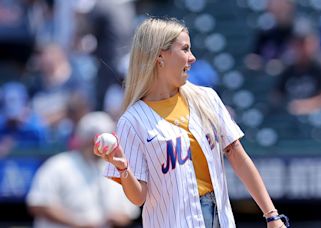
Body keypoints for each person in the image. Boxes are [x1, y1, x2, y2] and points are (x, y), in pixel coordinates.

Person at [93, 17, 290, 228]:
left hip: (220, 218)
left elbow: (238, 157)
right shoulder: (132, 120)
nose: (192, 58)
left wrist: (271, 215)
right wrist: (123, 168)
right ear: (160, 56)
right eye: (185, 49)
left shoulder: (206, 98)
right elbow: (138, 198)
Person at [26, 111, 140, 228]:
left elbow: (129, 212)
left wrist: (116, 218)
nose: (94, 145)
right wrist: (78, 223)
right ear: (81, 138)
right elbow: (38, 204)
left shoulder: (117, 169)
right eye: (91, 139)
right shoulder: (58, 165)